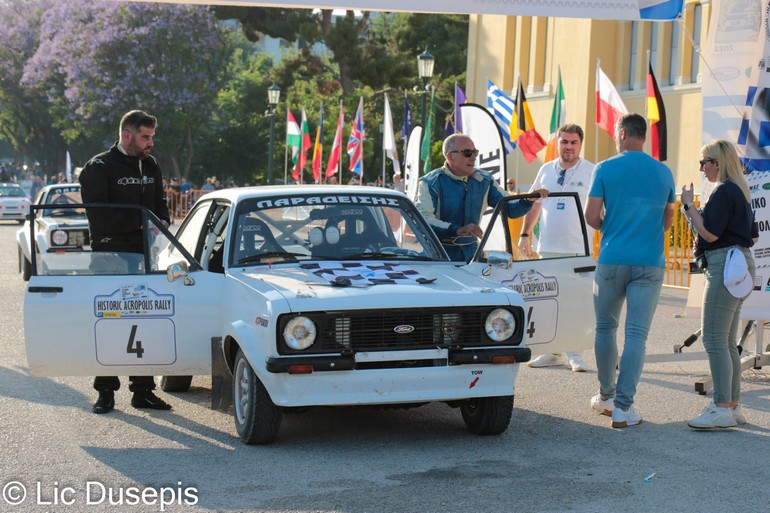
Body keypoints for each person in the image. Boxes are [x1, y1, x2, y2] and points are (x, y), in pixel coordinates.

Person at [78, 109, 173, 415]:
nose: (150, 143)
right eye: (145, 137)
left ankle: (143, 391)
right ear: (127, 135)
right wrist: (144, 220)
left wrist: (161, 222)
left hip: (145, 256)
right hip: (110, 256)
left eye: (152, 137)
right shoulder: (98, 167)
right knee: (110, 324)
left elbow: (160, 207)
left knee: (146, 322)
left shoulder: (151, 164)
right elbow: (100, 217)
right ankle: (105, 392)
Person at [584, 113, 675, 428]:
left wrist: (608, 227)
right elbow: (668, 220)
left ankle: (606, 396)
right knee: (637, 334)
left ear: (622, 134)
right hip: (649, 261)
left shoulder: (605, 168)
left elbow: (591, 215)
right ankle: (624, 408)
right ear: (643, 136)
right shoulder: (664, 172)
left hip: (612, 257)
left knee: (605, 329)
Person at [681, 140, 757, 429]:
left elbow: (710, 234)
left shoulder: (725, 191)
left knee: (714, 339)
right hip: (738, 264)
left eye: (705, 162)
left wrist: (689, 205)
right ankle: (731, 405)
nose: (702, 168)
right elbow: (752, 237)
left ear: (718, 162)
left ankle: (722, 406)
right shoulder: (739, 190)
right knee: (726, 342)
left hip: (725, 264)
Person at [520, 124, 595, 372]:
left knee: (575, 302)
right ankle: (552, 352)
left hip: (578, 248)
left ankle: (575, 353)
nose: (568, 147)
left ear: (580, 145)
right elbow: (534, 205)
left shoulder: (591, 171)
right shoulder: (545, 170)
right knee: (549, 301)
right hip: (548, 248)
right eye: (564, 142)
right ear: (558, 143)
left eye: (573, 142)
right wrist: (525, 234)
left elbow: (600, 209)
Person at [416, 133, 548, 262]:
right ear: (450, 156)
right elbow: (423, 220)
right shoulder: (430, 183)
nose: (473, 157)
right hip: (438, 255)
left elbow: (510, 209)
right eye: (468, 153)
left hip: (473, 255)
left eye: (475, 152)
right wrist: (457, 229)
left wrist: (528, 199)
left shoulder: (484, 180)